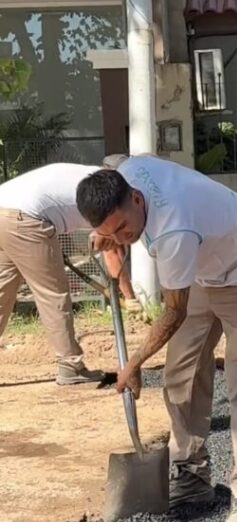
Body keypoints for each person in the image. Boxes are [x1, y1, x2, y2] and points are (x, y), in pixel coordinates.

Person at [76, 155, 237, 522]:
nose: (122, 238)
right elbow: (114, 160)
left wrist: (134, 362)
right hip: (203, 270)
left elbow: (173, 312)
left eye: (123, 227)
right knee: (180, 374)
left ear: (136, 200)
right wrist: (107, 232)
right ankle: (192, 473)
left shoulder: (173, 230)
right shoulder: (125, 174)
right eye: (110, 234)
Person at [0, 162, 139, 385]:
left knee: (2, 290)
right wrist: (130, 297)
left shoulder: (91, 178)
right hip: (26, 216)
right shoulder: (109, 194)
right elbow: (111, 248)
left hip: (4, 208)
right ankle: (70, 365)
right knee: (52, 293)